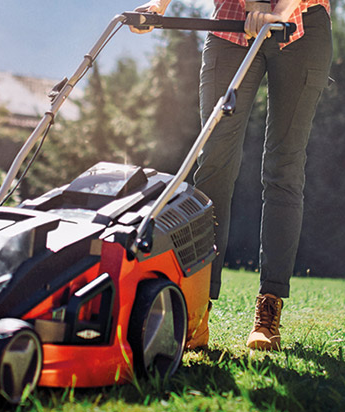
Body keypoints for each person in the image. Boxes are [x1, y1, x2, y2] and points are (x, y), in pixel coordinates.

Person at [131, 0, 332, 351]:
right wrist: (159, 5)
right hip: (230, 25)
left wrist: (279, 13)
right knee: (214, 165)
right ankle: (196, 309)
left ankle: (270, 306)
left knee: (284, 167)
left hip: (302, 27)